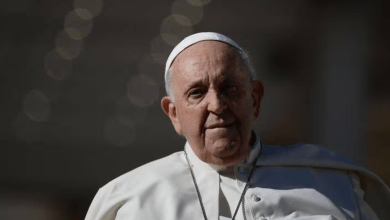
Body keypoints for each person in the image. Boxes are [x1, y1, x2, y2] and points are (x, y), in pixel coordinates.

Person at [85, 32, 390, 220]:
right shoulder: (127, 202)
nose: (216, 105)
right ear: (174, 113)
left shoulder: (335, 184)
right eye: (197, 92)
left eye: (230, 87)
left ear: (254, 99)